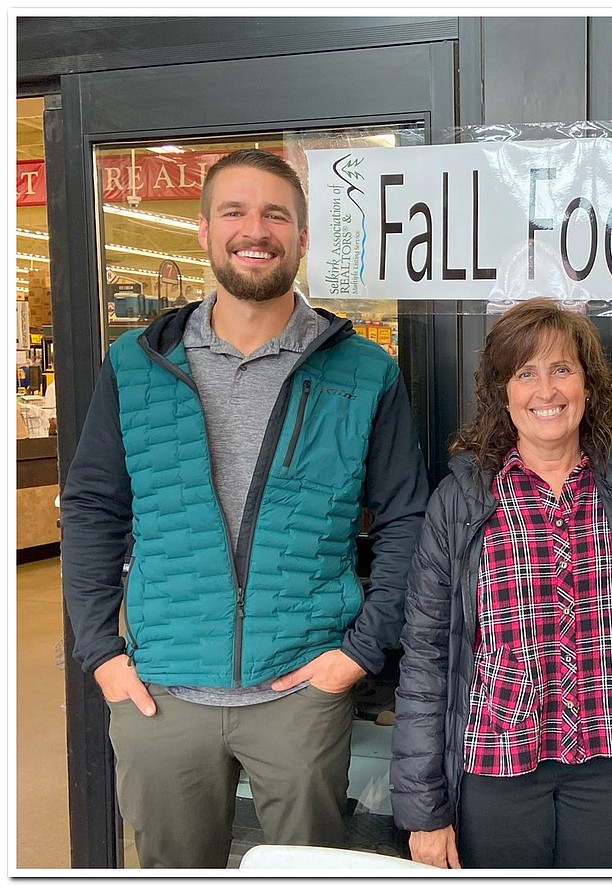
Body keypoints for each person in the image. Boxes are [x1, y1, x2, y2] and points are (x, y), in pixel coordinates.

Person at [59, 149, 429, 868]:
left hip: (301, 693)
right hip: (160, 695)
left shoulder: (364, 372)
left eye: (274, 214)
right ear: (203, 230)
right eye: (234, 211)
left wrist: (358, 654)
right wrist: (102, 655)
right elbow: (93, 509)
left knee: (309, 876)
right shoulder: (136, 362)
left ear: (301, 237)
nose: (253, 229)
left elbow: (406, 519)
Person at [390, 297, 612, 869]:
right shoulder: (462, 499)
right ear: (502, 392)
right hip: (494, 767)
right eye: (525, 373)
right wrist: (425, 812)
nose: (546, 391)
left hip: (610, 767)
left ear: (588, 385)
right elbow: (425, 662)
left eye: (562, 369)